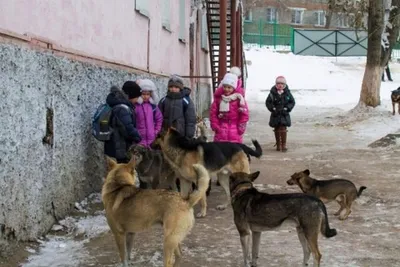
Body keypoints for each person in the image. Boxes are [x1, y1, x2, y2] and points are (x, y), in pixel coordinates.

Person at [104, 81, 142, 163]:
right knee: (121, 172)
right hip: (119, 148)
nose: (138, 99)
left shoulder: (121, 105)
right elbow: (127, 128)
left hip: (116, 146)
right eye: (137, 97)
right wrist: (138, 136)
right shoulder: (122, 109)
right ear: (131, 96)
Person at [210, 72, 249, 143]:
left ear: (233, 88)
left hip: (235, 130)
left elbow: (245, 114)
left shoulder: (239, 99)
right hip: (221, 129)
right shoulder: (219, 99)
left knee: (234, 151)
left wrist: (241, 126)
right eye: (224, 86)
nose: (226, 89)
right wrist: (215, 125)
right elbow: (213, 113)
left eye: (229, 87)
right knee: (221, 151)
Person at [265, 76, 295, 152]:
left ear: (284, 84)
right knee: (277, 128)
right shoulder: (272, 93)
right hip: (276, 114)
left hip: (284, 114)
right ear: (276, 84)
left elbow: (292, 102)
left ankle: (283, 144)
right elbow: (268, 102)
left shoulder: (287, 93)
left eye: (282, 83)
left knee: (283, 128)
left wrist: (287, 108)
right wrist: (272, 108)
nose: (280, 85)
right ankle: (278, 144)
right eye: (278, 83)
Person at [135, 79, 163, 148]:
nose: (145, 96)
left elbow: (159, 118)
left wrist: (156, 131)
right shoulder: (136, 106)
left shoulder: (153, 107)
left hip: (151, 138)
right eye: (143, 94)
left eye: (148, 94)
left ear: (151, 95)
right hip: (139, 139)